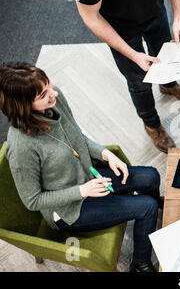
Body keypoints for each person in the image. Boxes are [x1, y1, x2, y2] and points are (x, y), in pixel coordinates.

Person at [0, 62, 162, 272]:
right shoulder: (22, 148)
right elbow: (33, 200)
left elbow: (76, 138)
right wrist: (83, 191)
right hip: (70, 209)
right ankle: (140, 264)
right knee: (146, 206)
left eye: (48, 84)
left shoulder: (54, 98)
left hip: (88, 175)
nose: (53, 94)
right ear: (21, 106)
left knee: (151, 176)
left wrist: (106, 154)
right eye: (43, 94)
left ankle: (154, 213)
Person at [72, 0, 180, 153]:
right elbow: (90, 17)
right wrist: (133, 55)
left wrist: (178, 18)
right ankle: (152, 124)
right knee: (138, 81)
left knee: (166, 55)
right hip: (119, 28)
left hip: (156, 9)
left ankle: (168, 85)